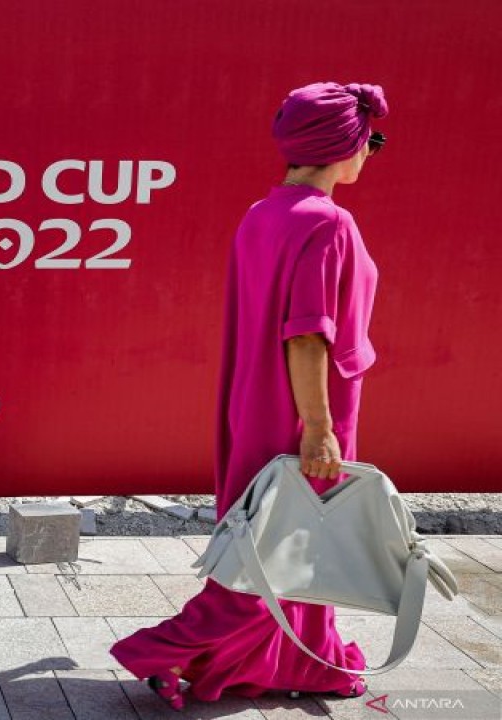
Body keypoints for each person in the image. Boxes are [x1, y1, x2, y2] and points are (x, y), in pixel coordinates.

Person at [109, 81, 388, 710]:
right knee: (276, 551)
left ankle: (300, 662)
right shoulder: (328, 223)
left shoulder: (263, 214)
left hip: (256, 405)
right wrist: (318, 426)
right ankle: (163, 651)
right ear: (343, 144)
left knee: (288, 543)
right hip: (302, 411)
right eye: (370, 140)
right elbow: (307, 335)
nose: (371, 152)